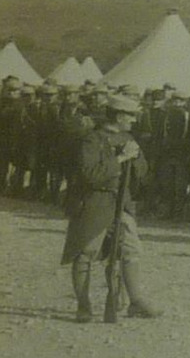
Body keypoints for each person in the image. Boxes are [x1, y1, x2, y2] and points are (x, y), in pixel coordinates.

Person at [59, 93, 159, 323]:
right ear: (120, 115)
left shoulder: (128, 139)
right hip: (94, 203)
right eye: (131, 116)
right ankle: (83, 306)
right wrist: (121, 159)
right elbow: (90, 175)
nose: (134, 120)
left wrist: (134, 160)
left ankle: (136, 301)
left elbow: (142, 175)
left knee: (132, 251)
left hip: (121, 202)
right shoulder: (91, 140)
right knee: (85, 253)